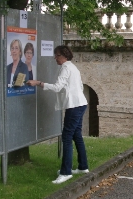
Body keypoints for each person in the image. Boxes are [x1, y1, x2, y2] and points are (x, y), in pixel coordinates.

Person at [27, 45, 89, 184]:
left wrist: (38, 83)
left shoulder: (66, 68)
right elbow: (79, 87)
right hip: (80, 104)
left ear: (64, 55)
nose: (55, 58)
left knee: (66, 138)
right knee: (76, 135)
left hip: (74, 106)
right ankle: (83, 166)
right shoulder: (73, 67)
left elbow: (57, 87)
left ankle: (66, 172)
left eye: (57, 55)